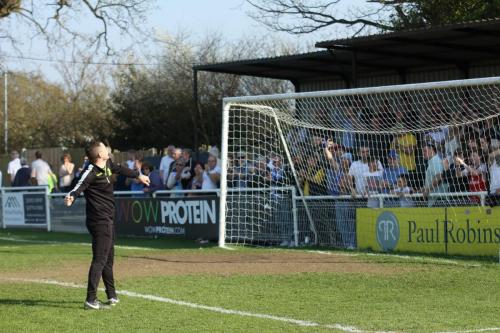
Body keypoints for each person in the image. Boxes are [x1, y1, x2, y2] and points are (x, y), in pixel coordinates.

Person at [64, 141, 150, 310]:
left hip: (108, 219)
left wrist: (138, 175)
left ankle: (111, 296)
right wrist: (72, 195)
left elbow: (121, 169)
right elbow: (78, 186)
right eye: (104, 148)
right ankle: (91, 299)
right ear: (99, 155)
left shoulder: (109, 163)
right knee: (100, 259)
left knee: (108, 260)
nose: (107, 150)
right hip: (98, 221)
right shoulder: (90, 171)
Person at [421, 143, 448, 207]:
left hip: (438, 200)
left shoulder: (435, 161)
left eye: (425, 151)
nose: (423, 153)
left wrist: (427, 190)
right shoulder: (431, 162)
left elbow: (439, 177)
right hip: (434, 200)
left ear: (432, 150)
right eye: (423, 151)